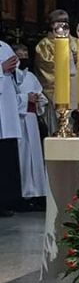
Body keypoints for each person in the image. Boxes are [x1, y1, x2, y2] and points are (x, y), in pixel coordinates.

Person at [12, 44, 48, 206]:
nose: (23, 58)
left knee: (35, 155)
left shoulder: (31, 77)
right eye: (19, 56)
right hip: (17, 121)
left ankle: (38, 192)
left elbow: (42, 98)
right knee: (23, 156)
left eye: (25, 54)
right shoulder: (9, 77)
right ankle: (23, 194)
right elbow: (8, 99)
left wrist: (38, 98)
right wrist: (27, 98)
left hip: (31, 120)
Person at [34, 9, 78, 135]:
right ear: (51, 24)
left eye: (65, 21)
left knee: (75, 120)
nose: (62, 25)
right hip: (56, 89)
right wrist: (67, 60)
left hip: (75, 88)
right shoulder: (44, 45)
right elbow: (45, 65)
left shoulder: (77, 42)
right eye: (58, 22)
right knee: (58, 121)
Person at [0, 40, 22, 217]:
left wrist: (15, 69)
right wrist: (1, 69)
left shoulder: (4, 46)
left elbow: (18, 77)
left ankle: (6, 201)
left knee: (6, 157)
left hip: (6, 109)